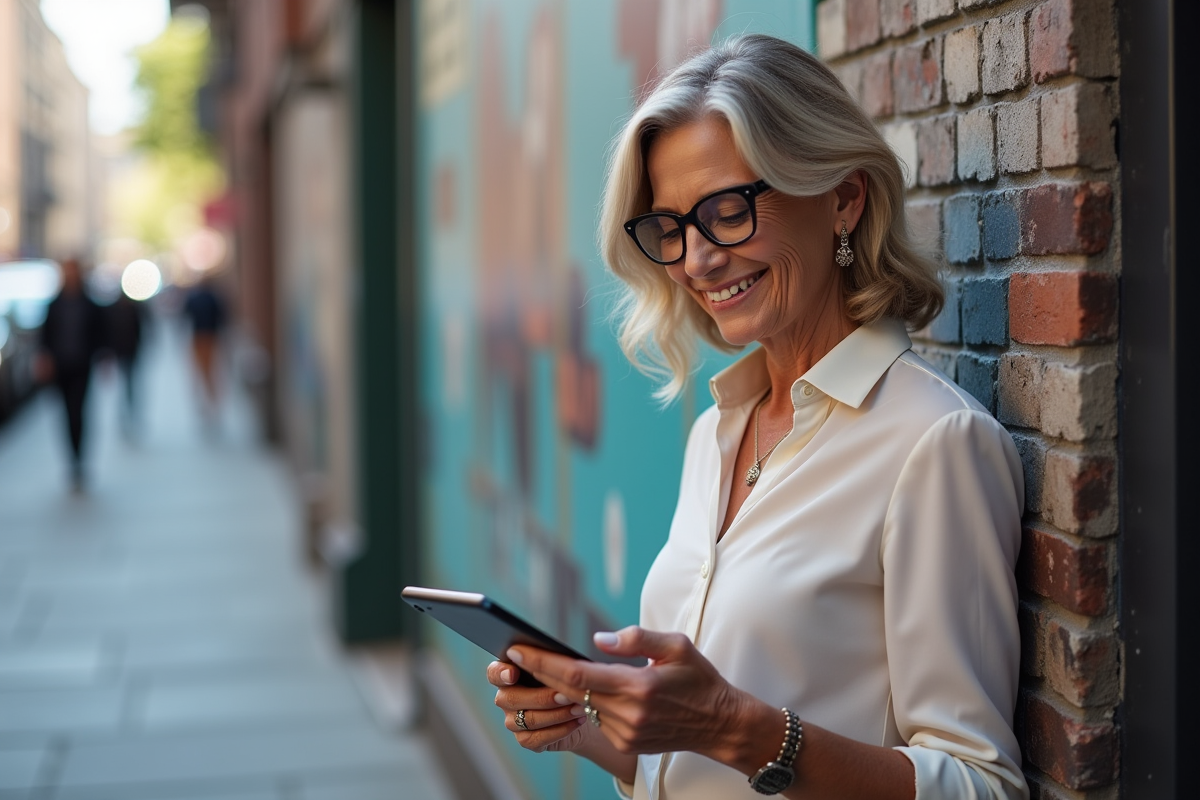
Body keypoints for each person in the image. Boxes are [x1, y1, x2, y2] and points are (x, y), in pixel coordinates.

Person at [485, 34, 1026, 800]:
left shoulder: (934, 444)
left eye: (727, 211)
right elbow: (694, 762)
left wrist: (735, 729)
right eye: (671, 228)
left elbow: (982, 784)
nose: (696, 260)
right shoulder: (715, 432)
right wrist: (590, 726)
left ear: (843, 198)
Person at [39, 257, 105, 489]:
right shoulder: (54, 304)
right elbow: (45, 336)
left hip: (82, 366)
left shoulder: (89, 304)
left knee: (79, 412)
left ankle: (80, 459)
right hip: (61, 367)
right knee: (66, 414)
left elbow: (100, 333)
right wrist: (45, 359)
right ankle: (72, 459)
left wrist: (103, 357)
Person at [182, 278, 227, 422]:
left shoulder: (194, 298)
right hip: (210, 338)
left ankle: (205, 404)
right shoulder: (214, 299)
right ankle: (211, 404)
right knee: (210, 373)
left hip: (199, 337)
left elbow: (185, 314)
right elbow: (223, 318)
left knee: (200, 373)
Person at [105, 291, 148, 435]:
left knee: (129, 382)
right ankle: (126, 413)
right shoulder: (115, 310)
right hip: (121, 352)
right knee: (125, 383)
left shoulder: (134, 309)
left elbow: (139, 330)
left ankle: (130, 411)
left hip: (131, 351)